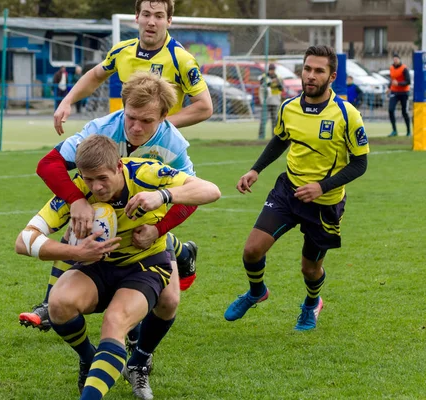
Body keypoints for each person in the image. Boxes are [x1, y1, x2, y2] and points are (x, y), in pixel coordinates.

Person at [20, 72, 202, 398]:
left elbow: (195, 197)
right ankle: (90, 358)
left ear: (163, 118)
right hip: (101, 238)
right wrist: (77, 201)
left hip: (146, 244)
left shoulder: (172, 145)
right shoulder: (101, 130)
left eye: (145, 121)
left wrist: (159, 226)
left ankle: (140, 362)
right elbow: (48, 164)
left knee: (170, 300)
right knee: (66, 279)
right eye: (130, 117)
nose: (134, 127)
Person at [224, 45, 369, 331]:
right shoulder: (288, 107)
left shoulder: (346, 113)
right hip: (287, 191)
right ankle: (256, 292)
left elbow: (360, 163)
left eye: (319, 71)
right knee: (252, 250)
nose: (311, 76)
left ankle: (312, 302)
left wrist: (321, 186)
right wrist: (256, 169)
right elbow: (280, 139)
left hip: (325, 203)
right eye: (307, 69)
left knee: (309, 269)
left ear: (332, 76)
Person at [52, 0, 213, 135]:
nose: (151, 22)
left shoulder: (181, 59)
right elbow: (95, 75)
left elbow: (204, 107)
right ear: (137, 17)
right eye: (146, 14)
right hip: (126, 139)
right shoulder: (121, 51)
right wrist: (67, 100)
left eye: (159, 16)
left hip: (161, 146)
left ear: (169, 21)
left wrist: (160, 126)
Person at [387, 52, 411, 137]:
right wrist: (389, 87)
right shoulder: (391, 68)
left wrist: (399, 83)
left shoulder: (404, 68)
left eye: (396, 59)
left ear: (399, 59)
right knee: (390, 109)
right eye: (394, 59)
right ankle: (394, 130)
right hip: (394, 92)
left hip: (404, 92)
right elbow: (392, 80)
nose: (395, 61)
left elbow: (408, 81)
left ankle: (408, 131)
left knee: (404, 112)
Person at [258, 63, 284, 139]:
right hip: (266, 101)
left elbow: (282, 88)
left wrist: (277, 82)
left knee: (274, 121)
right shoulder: (264, 77)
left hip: (275, 101)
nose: (271, 71)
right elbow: (262, 85)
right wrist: (271, 82)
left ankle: (274, 137)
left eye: (273, 70)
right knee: (263, 120)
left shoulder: (278, 78)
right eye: (270, 70)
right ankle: (261, 136)